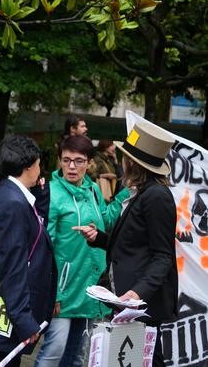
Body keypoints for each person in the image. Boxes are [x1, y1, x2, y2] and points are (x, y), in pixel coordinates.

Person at [75, 121, 178, 367]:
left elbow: (163, 255)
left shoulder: (156, 196)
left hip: (141, 306)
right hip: (128, 302)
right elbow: (133, 243)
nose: (121, 160)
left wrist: (136, 293)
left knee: (147, 360)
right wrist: (99, 238)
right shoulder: (142, 192)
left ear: (132, 163)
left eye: (125, 156)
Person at [0, 135, 57, 367]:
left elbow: (31, 236)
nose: (40, 169)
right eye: (38, 164)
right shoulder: (14, 204)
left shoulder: (1, 193)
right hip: (2, 321)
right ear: (28, 167)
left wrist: (40, 198)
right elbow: (13, 268)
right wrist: (25, 322)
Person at [34, 135, 121, 367]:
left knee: (78, 355)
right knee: (54, 350)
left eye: (79, 161)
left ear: (89, 163)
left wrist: (126, 192)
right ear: (60, 161)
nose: (72, 166)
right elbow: (44, 245)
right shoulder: (51, 192)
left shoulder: (92, 189)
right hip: (63, 288)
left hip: (90, 284)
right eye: (66, 160)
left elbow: (107, 219)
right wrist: (54, 292)